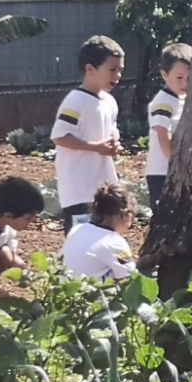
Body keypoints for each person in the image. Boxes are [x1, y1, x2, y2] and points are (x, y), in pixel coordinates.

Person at [51, 35, 124, 234]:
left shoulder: (110, 101)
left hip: (104, 188)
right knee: (80, 239)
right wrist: (95, 148)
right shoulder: (75, 101)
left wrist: (113, 146)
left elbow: (110, 135)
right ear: (90, 69)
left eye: (120, 70)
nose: (117, 76)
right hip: (78, 189)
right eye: (112, 70)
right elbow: (60, 136)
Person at [146, 43, 191, 209]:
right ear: (165, 75)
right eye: (179, 77)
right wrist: (176, 164)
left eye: (189, 77)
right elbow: (163, 136)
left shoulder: (183, 99)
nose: (185, 83)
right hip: (162, 172)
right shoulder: (163, 103)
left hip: (177, 171)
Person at [62, 182, 138, 281]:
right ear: (126, 214)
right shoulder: (114, 242)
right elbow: (132, 278)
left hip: (64, 289)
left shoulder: (77, 229)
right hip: (88, 293)